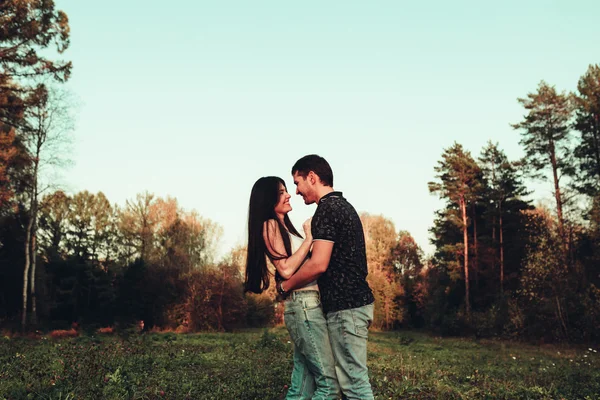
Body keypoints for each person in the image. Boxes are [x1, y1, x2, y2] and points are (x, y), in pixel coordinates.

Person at [278, 155, 376, 400]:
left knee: (354, 385)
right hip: (355, 304)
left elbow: (319, 264)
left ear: (312, 177)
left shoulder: (326, 209)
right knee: (352, 381)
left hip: (346, 307)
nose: (297, 191)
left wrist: (286, 285)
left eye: (298, 183)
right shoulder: (343, 206)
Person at [244, 176, 340, 400]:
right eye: (280, 192)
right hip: (303, 306)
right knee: (329, 384)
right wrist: (309, 239)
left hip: (307, 305)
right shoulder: (269, 225)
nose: (288, 195)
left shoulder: (285, 228)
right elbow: (286, 269)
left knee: (303, 382)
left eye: (286, 190)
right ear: (268, 200)